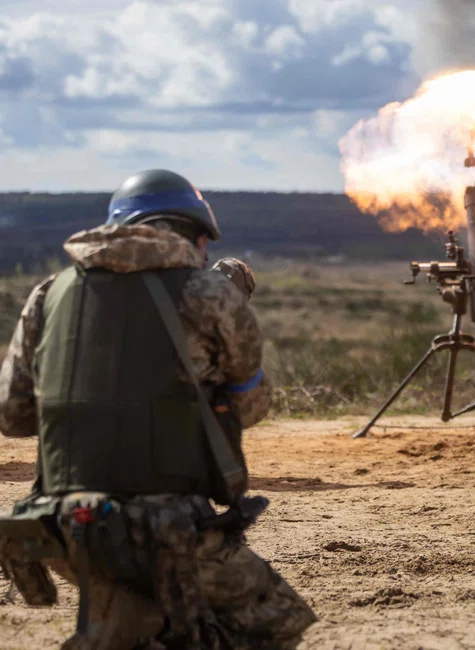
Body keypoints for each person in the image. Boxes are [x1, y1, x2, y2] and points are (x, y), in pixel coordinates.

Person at [0, 169, 316, 648]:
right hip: (167, 530)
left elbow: (12, 416)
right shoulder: (208, 294)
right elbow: (250, 407)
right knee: (277, 622)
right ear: (197, 234)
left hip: (60, 528)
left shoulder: (49, 293)